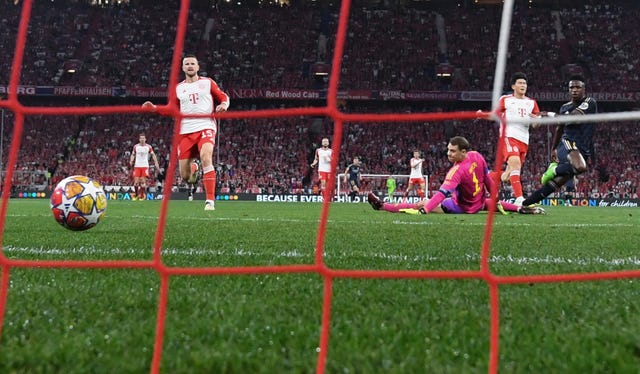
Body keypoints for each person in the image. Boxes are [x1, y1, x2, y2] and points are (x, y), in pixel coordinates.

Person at [367, 136, 544, 215]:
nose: (448, 153)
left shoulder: (456, 170)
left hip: (462, 208)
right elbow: (488, 181)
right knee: (493, 204)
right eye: (448, 150)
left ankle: (383, 206)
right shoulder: (477, 155)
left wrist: (426, 208)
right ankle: (523, 208)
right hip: (479, 204)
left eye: (452, 151)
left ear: (463, 151)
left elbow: (442, 194)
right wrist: (496, 197)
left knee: (422, 202)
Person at [143, 54, 230, 210]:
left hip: (205, 126)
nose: (190, 66)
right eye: (187, 64)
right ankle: (194, 169)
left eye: (192, 63)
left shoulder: (207, 82)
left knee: (206, 156)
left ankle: (210, 201)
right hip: (185, 132)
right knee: (185, 176)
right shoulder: (178, 88)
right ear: (183, 68)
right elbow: (171, 109)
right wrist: (155, 109)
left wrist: (223, 105)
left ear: (197, 67)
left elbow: (223, 96)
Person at [522, 75, 596, 206]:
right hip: (569, 142)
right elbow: (559, 129)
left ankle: (525, 204)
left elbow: (573, 118)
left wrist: (548, 114)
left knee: (555, 183)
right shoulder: (564, 107)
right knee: (580, 167)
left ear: (584, 89)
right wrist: (554, 148)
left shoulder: (590, 102)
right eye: (571, 87)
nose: (574, 90)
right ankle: (554, 170)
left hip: (583, 147)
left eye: (578, 87)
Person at [491, 72, 554, 206]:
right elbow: (495, 115)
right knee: (516, 164)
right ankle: (520, 199)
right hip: (508, 136)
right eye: (520, 83)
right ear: (513, 86)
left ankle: (487, 176)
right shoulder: (505, 99)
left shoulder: (531, 103)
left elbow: (535, 125)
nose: (523, 85)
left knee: (507, 176)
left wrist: (537, 120)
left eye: (524, 83)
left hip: (524, 140)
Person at [129, 132, 160, 201]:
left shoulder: (148, 147)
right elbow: (133, 154)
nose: (142, 139)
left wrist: (156, 162)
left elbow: (153, 155)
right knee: (136, 183)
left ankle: (142, 196)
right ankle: (136, 194)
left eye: (143, 138)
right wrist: (131, 161)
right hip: (137, 166)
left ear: (145, 139)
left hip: (145, 166)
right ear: (139, 139)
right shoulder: (136, 147)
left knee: (143, 182)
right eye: (141, 138)